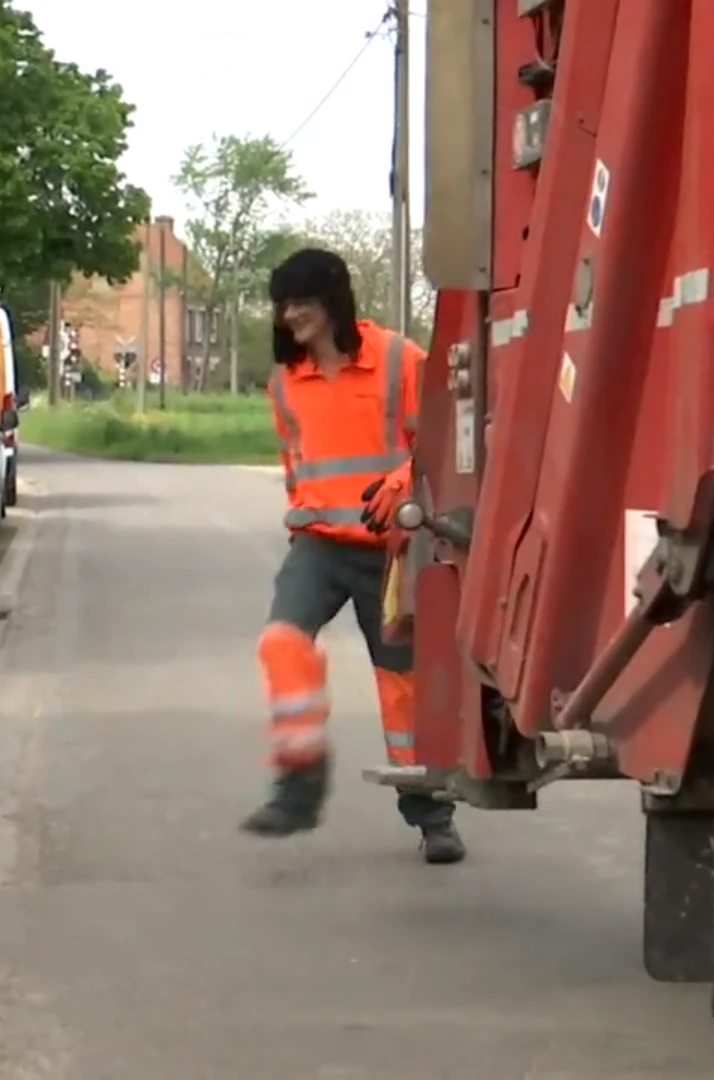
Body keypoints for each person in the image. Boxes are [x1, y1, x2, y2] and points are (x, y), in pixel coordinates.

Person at [239, 248, 465, 865]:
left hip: (393, 551)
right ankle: (299, 782)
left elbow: (446, 442)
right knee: (281, 641)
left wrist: (406, 478)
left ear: (334, 301)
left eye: (301, 302)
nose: (290, 316)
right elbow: (296, 465)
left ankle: (432, 816)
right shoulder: (285, 383)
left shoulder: (399, 359)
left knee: (402, 687)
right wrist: (301, 530)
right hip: (318, 543)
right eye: (282, 306)